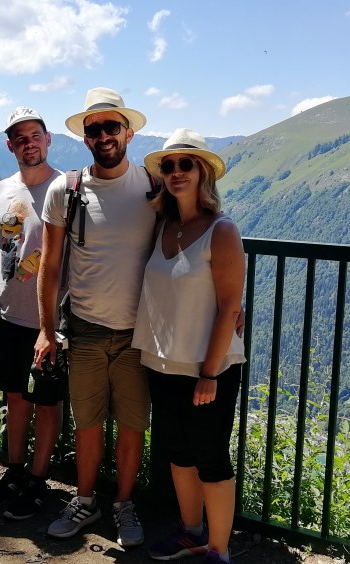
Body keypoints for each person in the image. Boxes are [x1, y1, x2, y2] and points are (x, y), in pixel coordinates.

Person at [35, 87, 155, 547]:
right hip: (83, 329)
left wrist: (230, 300)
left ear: (128, 131)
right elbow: (49, 267)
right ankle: (86, 501)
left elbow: (194, 241)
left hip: (137, 332)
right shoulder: (66, 191)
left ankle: (123, 505)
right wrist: (47, 331)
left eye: (111, 126)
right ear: (85, 137)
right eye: (94, 129)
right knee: (87, 423)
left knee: (131, 425)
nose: (103, 135)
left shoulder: (154, 187)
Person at [133, 129, 246, 564]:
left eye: (186, 164)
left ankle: (219, 550)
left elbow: (228, 308)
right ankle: (192, 532)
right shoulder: (164, 226)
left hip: (207, 367)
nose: (176, 172)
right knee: (178, 453)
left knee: (210, 456)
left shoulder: (222, 230)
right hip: (162, 361)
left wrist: (209, 373)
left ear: (203, 173)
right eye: (169, 165)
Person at [0, 107, 63, 520]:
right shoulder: (0, 191)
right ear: (11, 146)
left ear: (48, 139)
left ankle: (39, 481)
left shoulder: (68, 189)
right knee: (15, 396)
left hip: (52, 322)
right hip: (8, 314)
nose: (29, 142)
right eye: (20, 138)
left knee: (46, 402)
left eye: (35, 135)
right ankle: (14, 472)